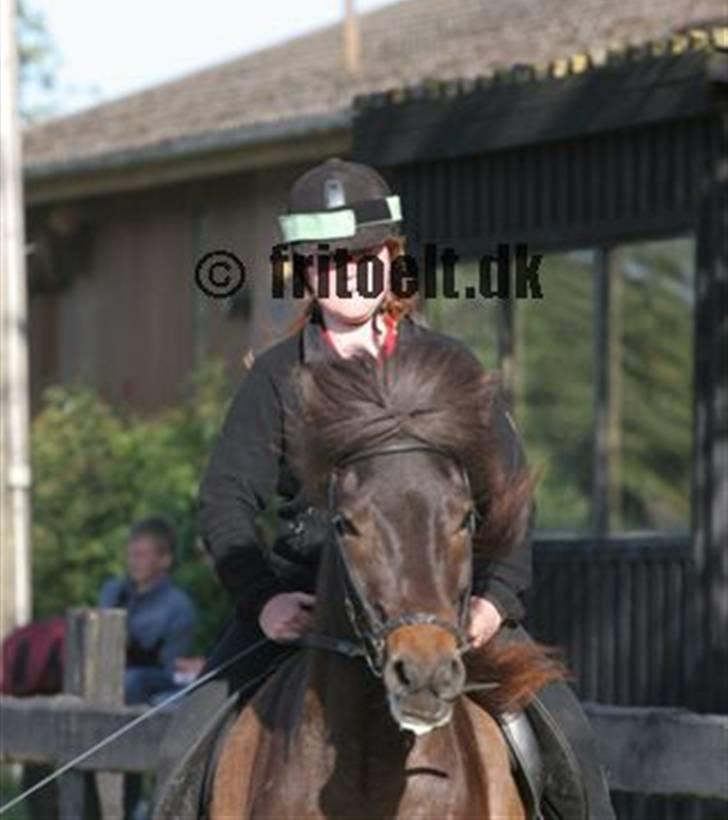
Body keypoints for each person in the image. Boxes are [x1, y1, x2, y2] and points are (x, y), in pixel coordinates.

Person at [153, 157, 615, 820]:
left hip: (444, 607)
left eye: (363, 256)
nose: (346, 273)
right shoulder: (278, 378)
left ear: (390, 258)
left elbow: (509, 494)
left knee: (570, 744)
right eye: (326, 260)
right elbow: (226, 501)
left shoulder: (447, 367)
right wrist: (262, 600)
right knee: (180, 753)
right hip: (308, 608)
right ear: (303, 269)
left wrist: (496, 599)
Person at [99, 516, 197, 705]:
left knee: (133, 681)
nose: (133, 562)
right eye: (131, 555)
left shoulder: (178, 607)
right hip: (107, 675)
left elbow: (171, 669)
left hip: (146, 686)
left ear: (165, 560)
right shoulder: (113, 592)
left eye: (141, 555)